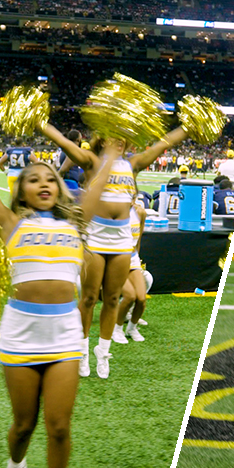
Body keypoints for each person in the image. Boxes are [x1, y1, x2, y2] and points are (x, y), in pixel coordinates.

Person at [0, 117, 119, 468]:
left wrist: (115, 148)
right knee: (24, 424)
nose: (43, 183)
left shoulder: (77, 222)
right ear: (21, 190)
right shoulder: (10, 223)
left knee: (60, 426)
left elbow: (99, 181)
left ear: (59, 186)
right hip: (20, 334)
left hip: (65, 335)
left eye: (50, 177)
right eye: (33, 179)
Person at [39, 117, 191, 379]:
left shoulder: (133, 164)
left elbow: (164, 142)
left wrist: (189, 127)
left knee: (112, 299)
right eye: (113, 136)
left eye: (123, 138)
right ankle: (83, 350)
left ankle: (103, 350)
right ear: (103, 137)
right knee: (88, 298)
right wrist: (38, 122)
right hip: (95, 238)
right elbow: (62, 141)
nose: (119, 141)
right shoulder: (92, 161)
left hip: (121, 242)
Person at [112, 200, 148, 344]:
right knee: (129, 296)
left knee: (141, 298)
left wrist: (137, 259)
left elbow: (138, 239)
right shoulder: (110, 213)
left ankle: (132, 328)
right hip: (116, 259)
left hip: (132, 258)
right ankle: (117, 329)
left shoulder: (139, 212)